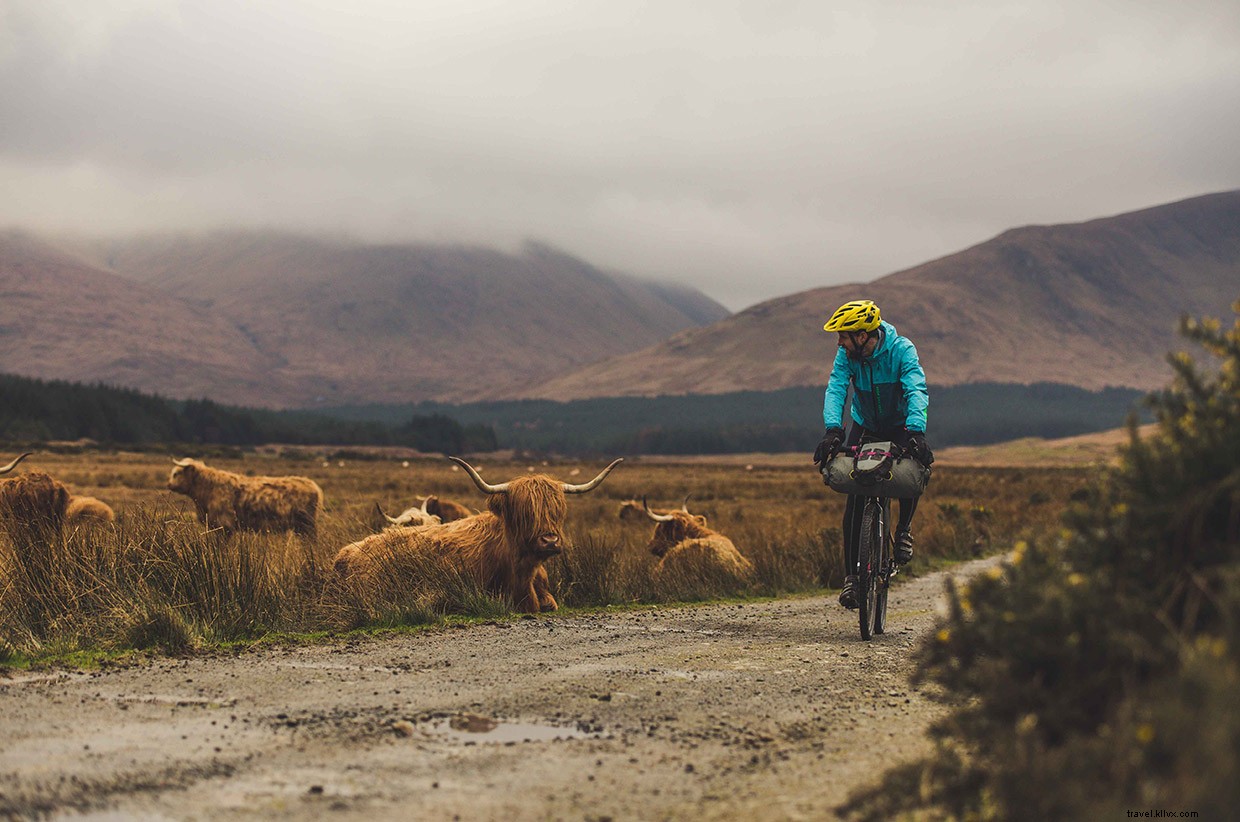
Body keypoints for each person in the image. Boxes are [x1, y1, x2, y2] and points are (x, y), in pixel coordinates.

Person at [812, 299, 932, 610]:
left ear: (864, 334)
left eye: (843, 335)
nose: (839, 341)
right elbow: (836, 387)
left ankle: (903, 530)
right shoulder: (847, 355)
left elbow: (915, 389)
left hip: (901, 424)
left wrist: (916, 431)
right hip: (866, 425)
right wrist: (832, 430)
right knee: (855, 494)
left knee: (911, 469)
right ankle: (853, 577)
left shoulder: (901, 350)